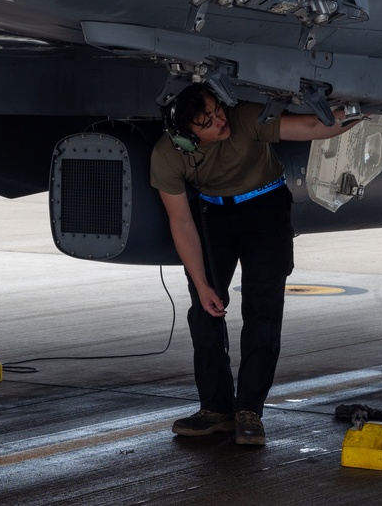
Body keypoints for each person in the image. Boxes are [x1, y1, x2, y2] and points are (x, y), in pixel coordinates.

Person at [150, 84, 361, 446]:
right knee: (204, 312)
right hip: (212, 214)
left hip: (265, 209)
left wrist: (356, 115)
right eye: (209, 122)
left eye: (218, 111)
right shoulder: (168, 156)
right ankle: (215, 410)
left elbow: (310, 127)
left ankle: (249, 410)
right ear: (187, 137)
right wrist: (201, 285)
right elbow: (181, 222)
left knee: (261, 310)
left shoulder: (244, 118)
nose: (220, 121)